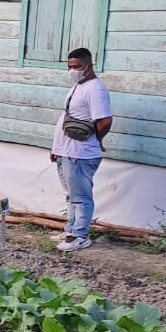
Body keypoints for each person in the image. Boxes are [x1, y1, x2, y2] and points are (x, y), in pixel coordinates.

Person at [50, 47, 112, 252]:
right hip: (66, 151)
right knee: (71, 195)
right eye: (69, 67)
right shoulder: (79, 86)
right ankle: (70, 230)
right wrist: (57, 148)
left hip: (80, 154)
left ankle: (80, 236)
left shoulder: (95, 89)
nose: (72, 71)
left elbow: (105, 120)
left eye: (76, 67)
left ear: (88, 66)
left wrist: (96, 139)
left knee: (81, 197)